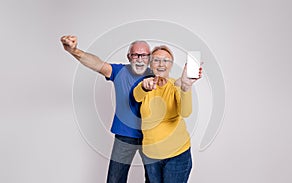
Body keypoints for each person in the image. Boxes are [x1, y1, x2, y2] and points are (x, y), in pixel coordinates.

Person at [60, 35, 152, 183]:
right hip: (124, 136)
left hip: (151, 136)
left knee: (154, 180)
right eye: (136, 54)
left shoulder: (157, 76)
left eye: (144, 55)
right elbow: (97, 64)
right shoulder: (119, 71)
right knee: (114, 180)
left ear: (150, 57)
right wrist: (75, 51)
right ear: (129, 56)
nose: (140, 59)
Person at [133, 45, 202, 183]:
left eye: (166, 60)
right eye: (156, 60)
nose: (161, 64)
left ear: (171, 65)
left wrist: (186, 86)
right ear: (150, 64)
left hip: (177, 156)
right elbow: (136, 96)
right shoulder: (145, 84)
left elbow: (185, 112)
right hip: (150, 156)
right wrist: (143, 86)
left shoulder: (176, 85)